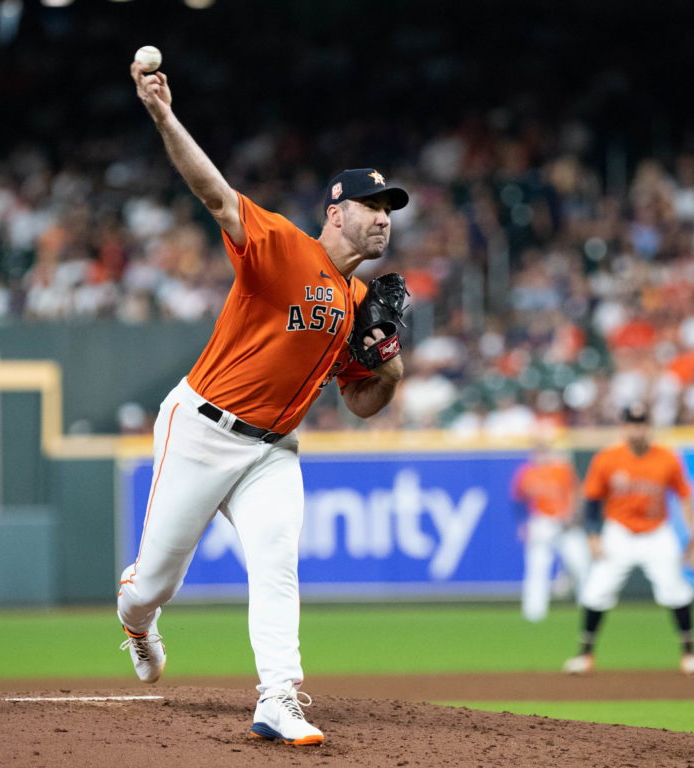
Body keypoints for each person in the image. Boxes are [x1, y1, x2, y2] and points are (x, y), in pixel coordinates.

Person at [116, 59, 410, 747]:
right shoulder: (282, 247)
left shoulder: (362, 303)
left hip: (271, 450)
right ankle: (135, 620)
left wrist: (390, 364)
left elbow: (365, 401)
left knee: (278, 559)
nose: (384, 219)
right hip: (200, 429)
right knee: (154, 582)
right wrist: (162, 115)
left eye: (390, 210)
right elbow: (216, 195)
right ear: (336, 212)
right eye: (373, 206)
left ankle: (279, 696)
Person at [563, 402, 694, 676]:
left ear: (649, 427)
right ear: (624, 426)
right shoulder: (607, 458)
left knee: (676, 590)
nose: (637, 429)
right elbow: (593, 500)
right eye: (632, 423)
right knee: (595, 591)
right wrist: (593, 535)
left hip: (657, 532)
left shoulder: (667, 457)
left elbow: (685, 495)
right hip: (618, 533)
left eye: (642, 423)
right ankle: (584, 655)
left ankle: (690, 654)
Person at [511, 428, 589, 622]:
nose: (541, 451)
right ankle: (533, 613)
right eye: (538, 447)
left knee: (580, 563)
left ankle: (589, 607)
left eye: (544, 447)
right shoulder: (526, 472)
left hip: (564, 523)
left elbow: (577, 493)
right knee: (537, 567)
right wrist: (522, 524)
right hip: (540, 523)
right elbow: (517, 500)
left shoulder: (562, 468)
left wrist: (574, 515)